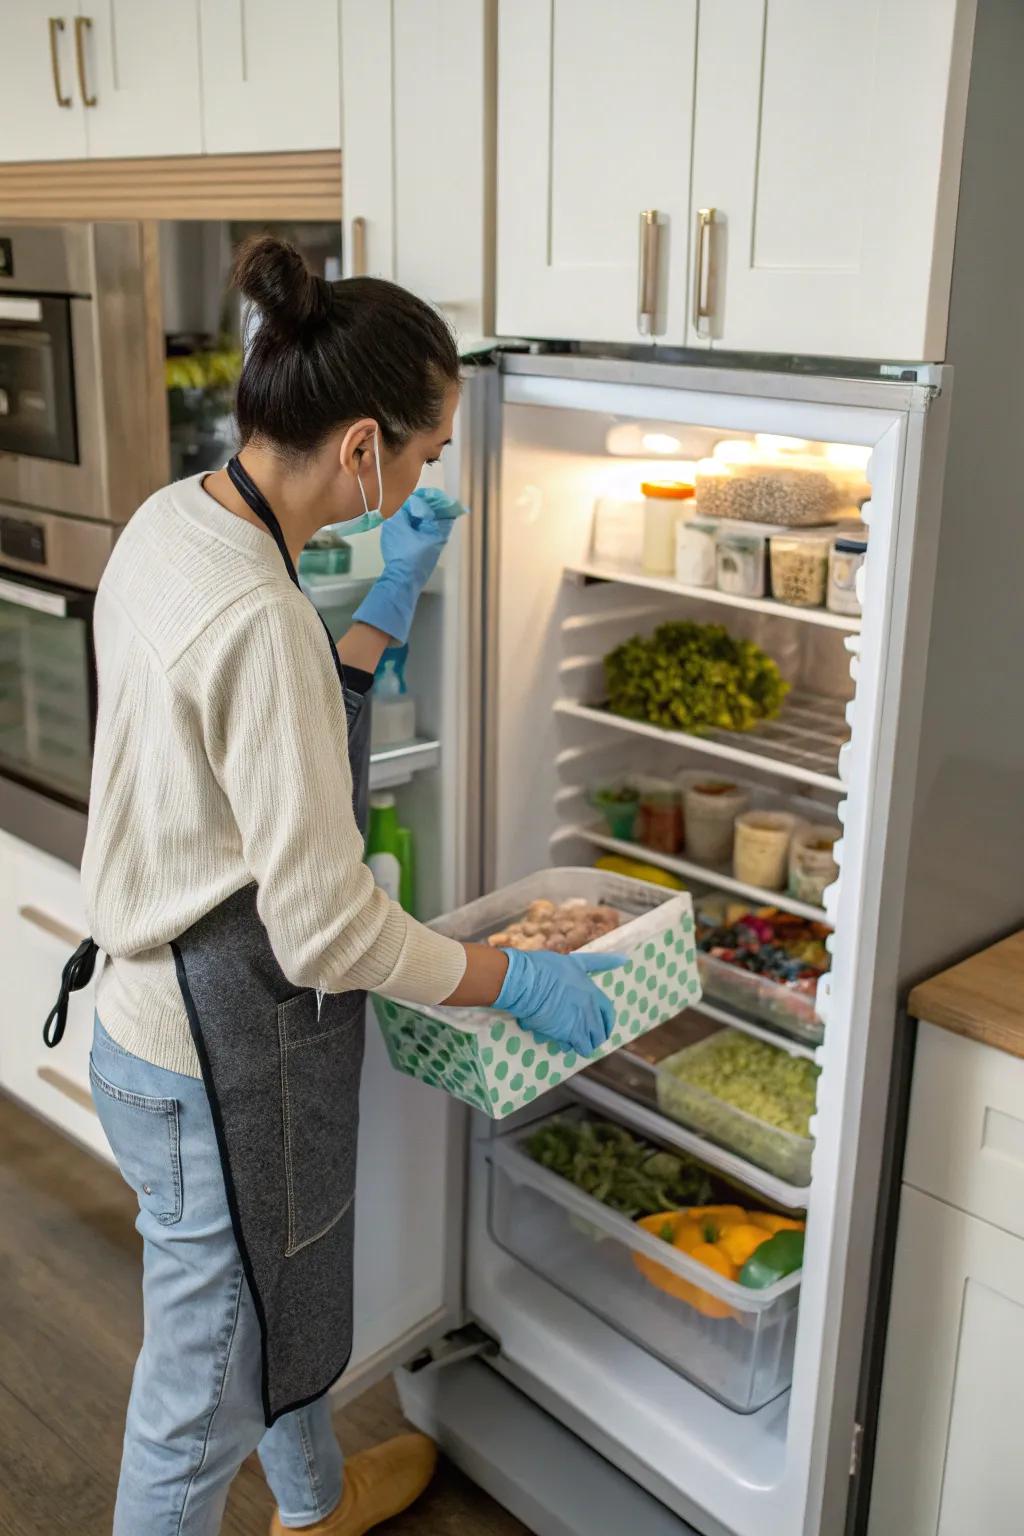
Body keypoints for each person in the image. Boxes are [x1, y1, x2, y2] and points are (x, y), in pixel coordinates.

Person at [48, 235, 623, 1536]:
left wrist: (382, 610)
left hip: (155, 1033)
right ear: (364, 448)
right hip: (209, 1071)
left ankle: (313, 1504)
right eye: (425, 456)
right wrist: (510, 976)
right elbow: (323, 928)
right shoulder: (257, 614)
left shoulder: (174, 521)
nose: (428, 478)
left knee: (280, 1288)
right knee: (193, 1413)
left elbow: (254, 755)